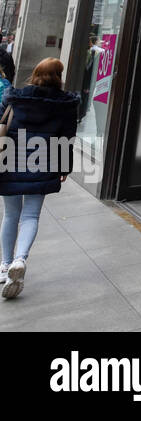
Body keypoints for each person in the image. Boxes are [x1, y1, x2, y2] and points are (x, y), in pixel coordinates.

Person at [0, 58, 79, 299]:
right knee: (31, 215)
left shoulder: (15, 97)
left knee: (11, 214)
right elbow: (67, 138)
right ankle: (20, 259)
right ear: (59, 77)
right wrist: (64, 169)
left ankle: (4, 266)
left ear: (34, 74)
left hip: (9, 161)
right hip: (43, 162)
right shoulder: (65, 104)